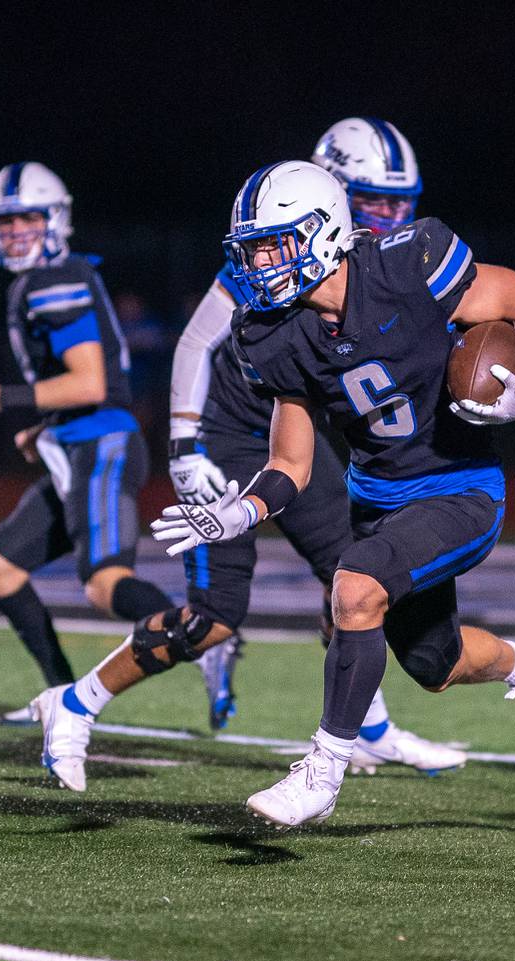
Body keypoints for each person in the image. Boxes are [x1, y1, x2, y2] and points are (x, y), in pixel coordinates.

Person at [131, 160, 515, 828]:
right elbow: (291, 461)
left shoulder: (409, 263)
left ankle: (323, 770)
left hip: (459, 487)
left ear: (322, 233)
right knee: (436, 661)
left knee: (354, 585)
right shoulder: (270, 333)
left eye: (270, 245)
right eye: (249, 249)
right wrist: (240, 511)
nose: (257, 263)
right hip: (379, 498)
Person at [162, 118, 465, 776]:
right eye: (372, 199)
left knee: (350, 574)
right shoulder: (270, 260)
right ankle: (78, 704)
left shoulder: (389, 263)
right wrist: (185, 441)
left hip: (297, 440)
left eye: (399, 201)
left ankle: (370, 727)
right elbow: (195, 342)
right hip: (244, 437)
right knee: (238, 602)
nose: (389, 215)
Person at [0, 161, 175, 723]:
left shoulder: (53, 282)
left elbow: (92, 382)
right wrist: (44, 425)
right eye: (4, 222)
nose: (14, 232)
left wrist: (0, 398)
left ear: (55, 219)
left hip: (101, 444)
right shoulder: (52, 278)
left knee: (105, 586)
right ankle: (61, 697)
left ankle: (203, 635)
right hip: (78, 443)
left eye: (27, 218)